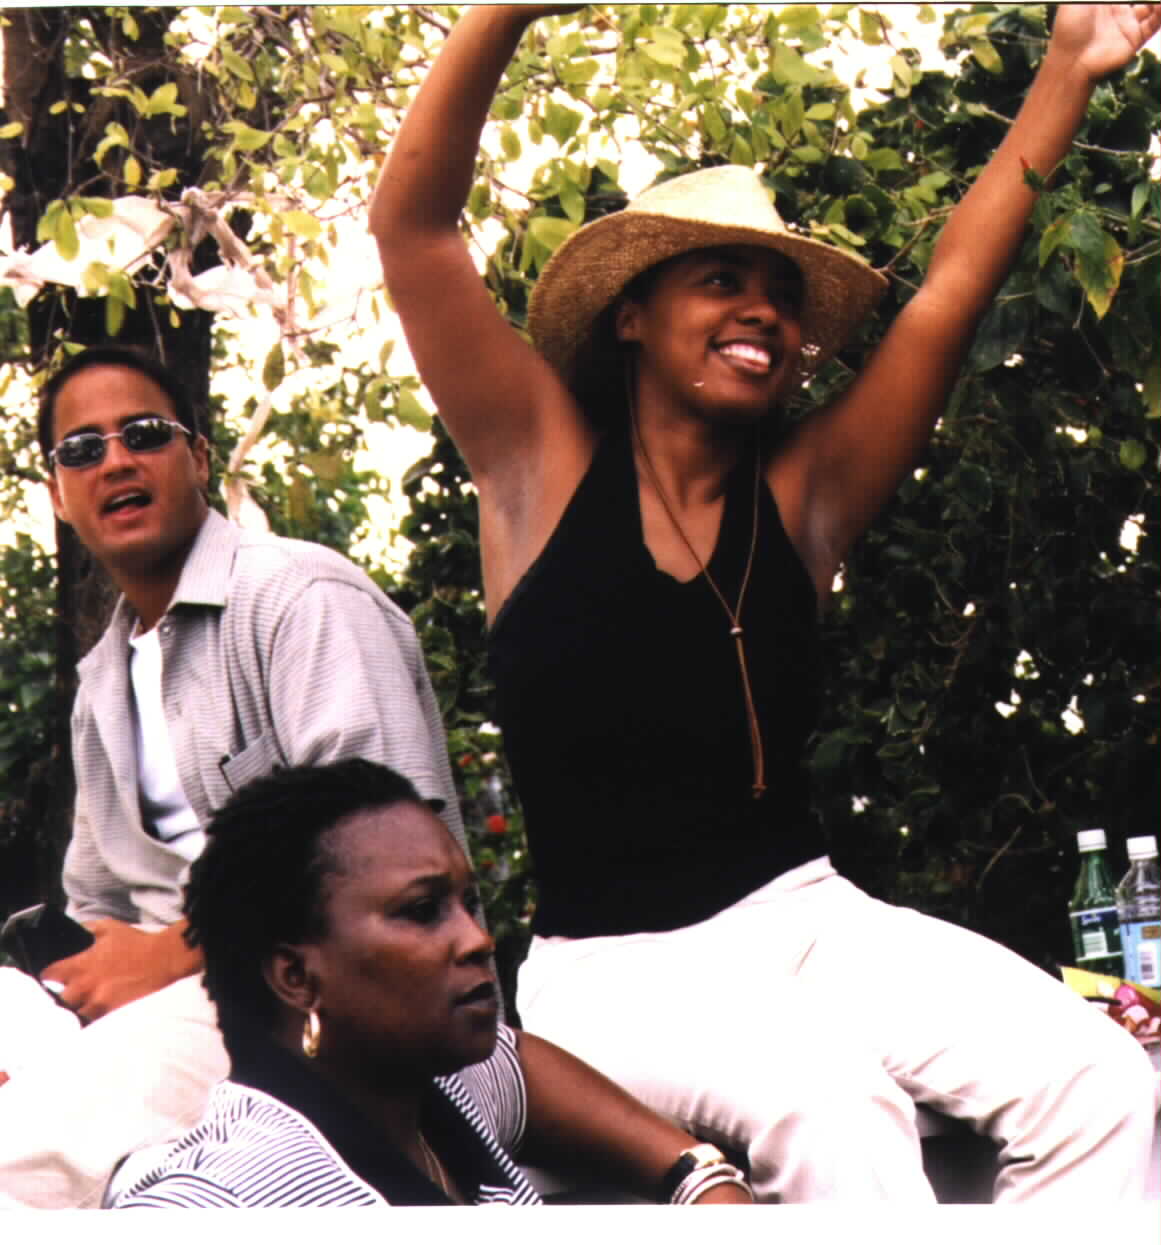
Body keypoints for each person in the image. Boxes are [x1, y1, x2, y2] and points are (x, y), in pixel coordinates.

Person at [371, 4, 1161, 1203]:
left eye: (783, 299)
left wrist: (1069, 65)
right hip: (616, 977)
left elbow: (948, 294)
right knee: (838, 1108)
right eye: (721, 280)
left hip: (809, 920)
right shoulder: (538, 468)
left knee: (1103, 1083)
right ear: (630, 313)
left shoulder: (803, 498)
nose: (764, 314)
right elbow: (413, 230)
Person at [0, 344, 473, 1208]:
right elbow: (98, 901)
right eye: (82, 449)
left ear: (200, 458)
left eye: (144, 433)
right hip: (158, 1009)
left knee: (14, 1155)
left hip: (293, 999)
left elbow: (383, 866)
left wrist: (176, 953)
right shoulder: (103, 681)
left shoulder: (301, 599)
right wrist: (65, 988)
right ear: (60, 495)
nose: (115, 460)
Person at [106, 758, 753, 1207]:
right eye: (421, 911)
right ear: (296, 976)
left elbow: (515, 1064)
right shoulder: (229, 1197)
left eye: (468, 903)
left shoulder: (424, 1091)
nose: (476, 938)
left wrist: (699, 1176)